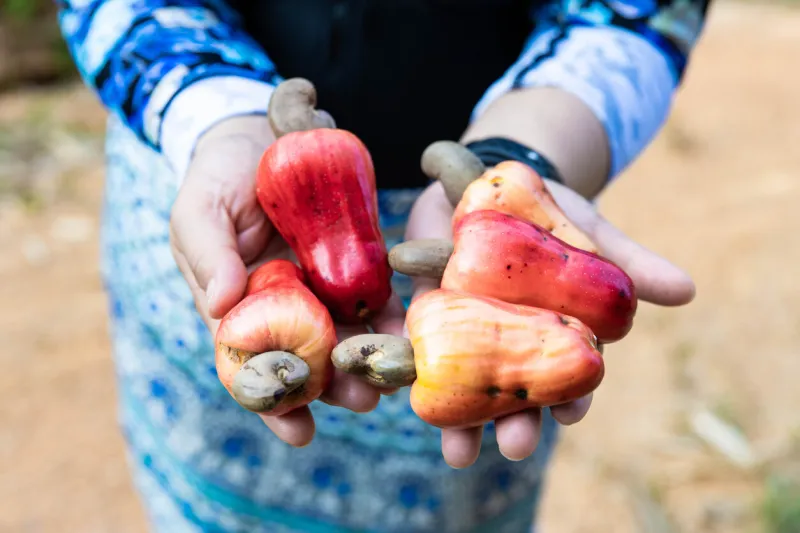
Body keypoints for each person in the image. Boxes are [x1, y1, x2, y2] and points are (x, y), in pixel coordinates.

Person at [57, 0, 707, 531]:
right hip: (237, 208)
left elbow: (639, 11)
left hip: (485, 199)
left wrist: (527, 147)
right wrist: (215, 115)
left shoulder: (486, 236)